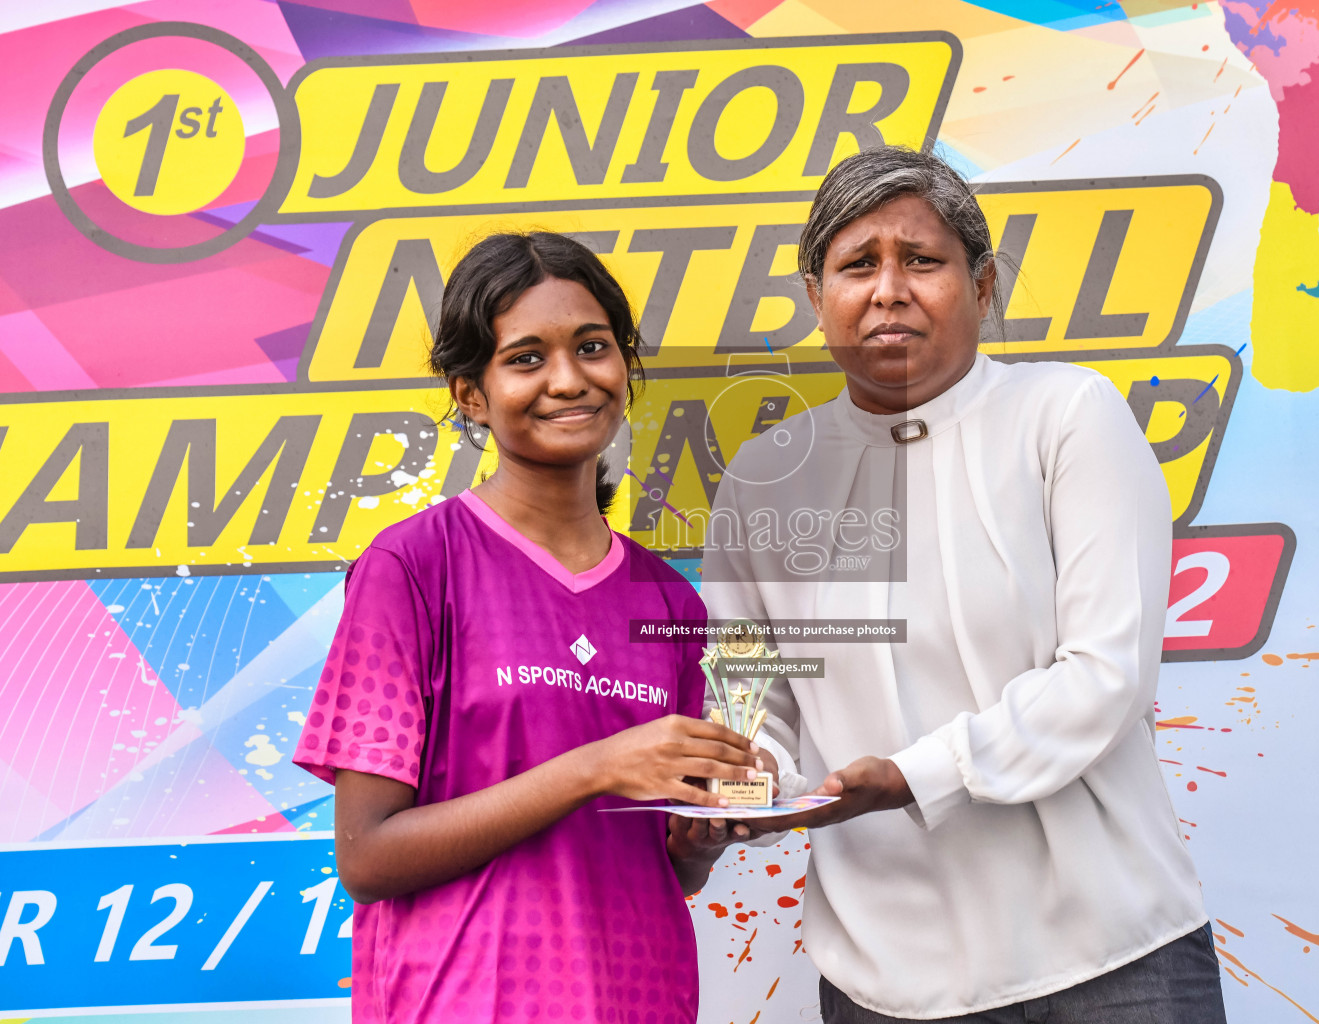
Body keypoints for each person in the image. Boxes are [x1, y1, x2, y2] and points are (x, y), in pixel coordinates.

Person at [702, 148, 1227, 1022]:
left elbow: (1105, 677)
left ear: (983, 287)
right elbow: (750, 699)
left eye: (923, 260)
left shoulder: (1065, 417)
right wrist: (752, 775)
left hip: (1112, 957)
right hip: (885, 978)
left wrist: (910, 776)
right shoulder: (766, 478)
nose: (888, 289)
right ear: (814, 297)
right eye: (857, 264)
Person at [292, 231, 763, 1024]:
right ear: (470, 394)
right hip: (462, 1002)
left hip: (641, 999)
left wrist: (707, 834)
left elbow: (668, 870)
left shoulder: (670, 606)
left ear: (625, 368)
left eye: (592, 347)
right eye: (525, 358)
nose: (569, 380)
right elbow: (368, 857)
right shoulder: (413, 568)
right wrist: (595, 767)